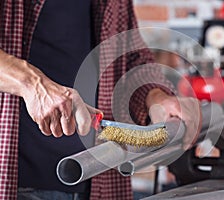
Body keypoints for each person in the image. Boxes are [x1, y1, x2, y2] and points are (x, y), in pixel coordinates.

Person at [0, 0, 202, 199]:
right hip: (15, 177)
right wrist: (33, 85)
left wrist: (158, 96)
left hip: (99, 175)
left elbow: (131, 56)